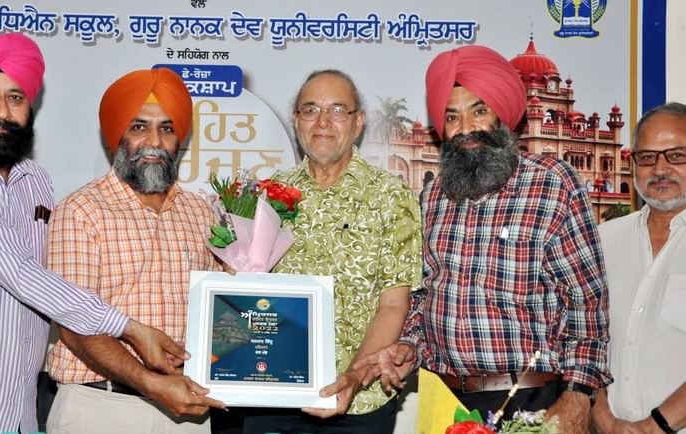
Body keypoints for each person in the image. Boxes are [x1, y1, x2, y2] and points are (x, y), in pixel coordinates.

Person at [0, 34, 204, 434]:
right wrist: (131, 328)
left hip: (12, 410)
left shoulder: (34, 180)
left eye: (16, 98)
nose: (1, 112)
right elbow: (22, 274)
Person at [354, 45, 611, 433]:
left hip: (531, 400)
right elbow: (424, 298)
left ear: (502, 114)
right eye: (451, 116)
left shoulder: (551, 183)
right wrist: (408, 346)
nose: (465, 128)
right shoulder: (433, 197)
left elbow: (586, 302)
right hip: (444, 400)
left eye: (479, 111)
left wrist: (577, 395)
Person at [228, 69, 422, 434]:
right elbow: (247, 293)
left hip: (359, 402)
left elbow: (393, 304)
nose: (322, 122)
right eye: (310, 109)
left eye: (337, 110)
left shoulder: (391, 196)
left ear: (358, 122)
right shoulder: (267, 194)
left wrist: (353, 378)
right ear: (296, 120)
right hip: (274, 392)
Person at [44, 68, 225, 434]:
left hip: (188, 410)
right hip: (100, 408)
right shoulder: (81, 211)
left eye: (167, 128)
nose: (154, 141)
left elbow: (220, 315)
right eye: (139, 127)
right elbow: (74, 325)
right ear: (116, 135)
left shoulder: (202, 213)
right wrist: (151, 383)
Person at [592, 102, 686, 434]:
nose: (660, 169)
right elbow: (582, 341)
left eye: (676, 155)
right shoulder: (603, 240)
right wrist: (604, 420)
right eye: (647, 157)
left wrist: (653, 427)